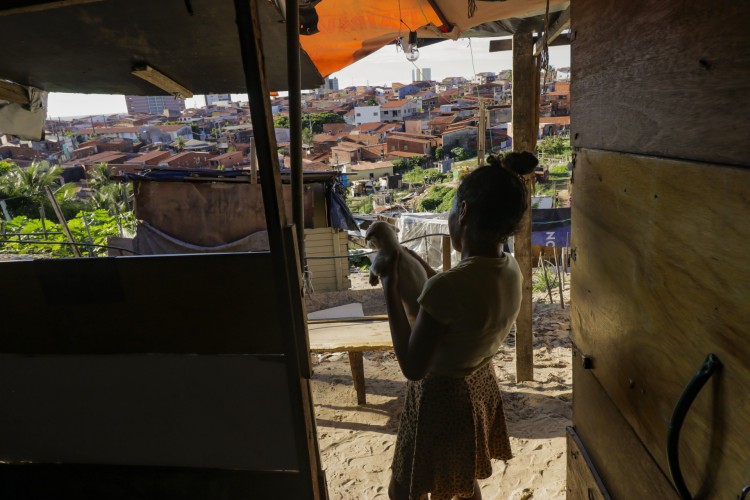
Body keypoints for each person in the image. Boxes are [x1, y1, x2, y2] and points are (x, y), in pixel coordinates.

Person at [381, 152, 538, 500]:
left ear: (463, 212)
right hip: (478, 384)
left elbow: (412, 366)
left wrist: (389, 290)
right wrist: (410, 259)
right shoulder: (510, 268)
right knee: (462, 480)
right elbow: (450, 290)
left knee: (405, 488)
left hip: (441, 396)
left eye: (451, 210)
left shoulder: (448, 288)